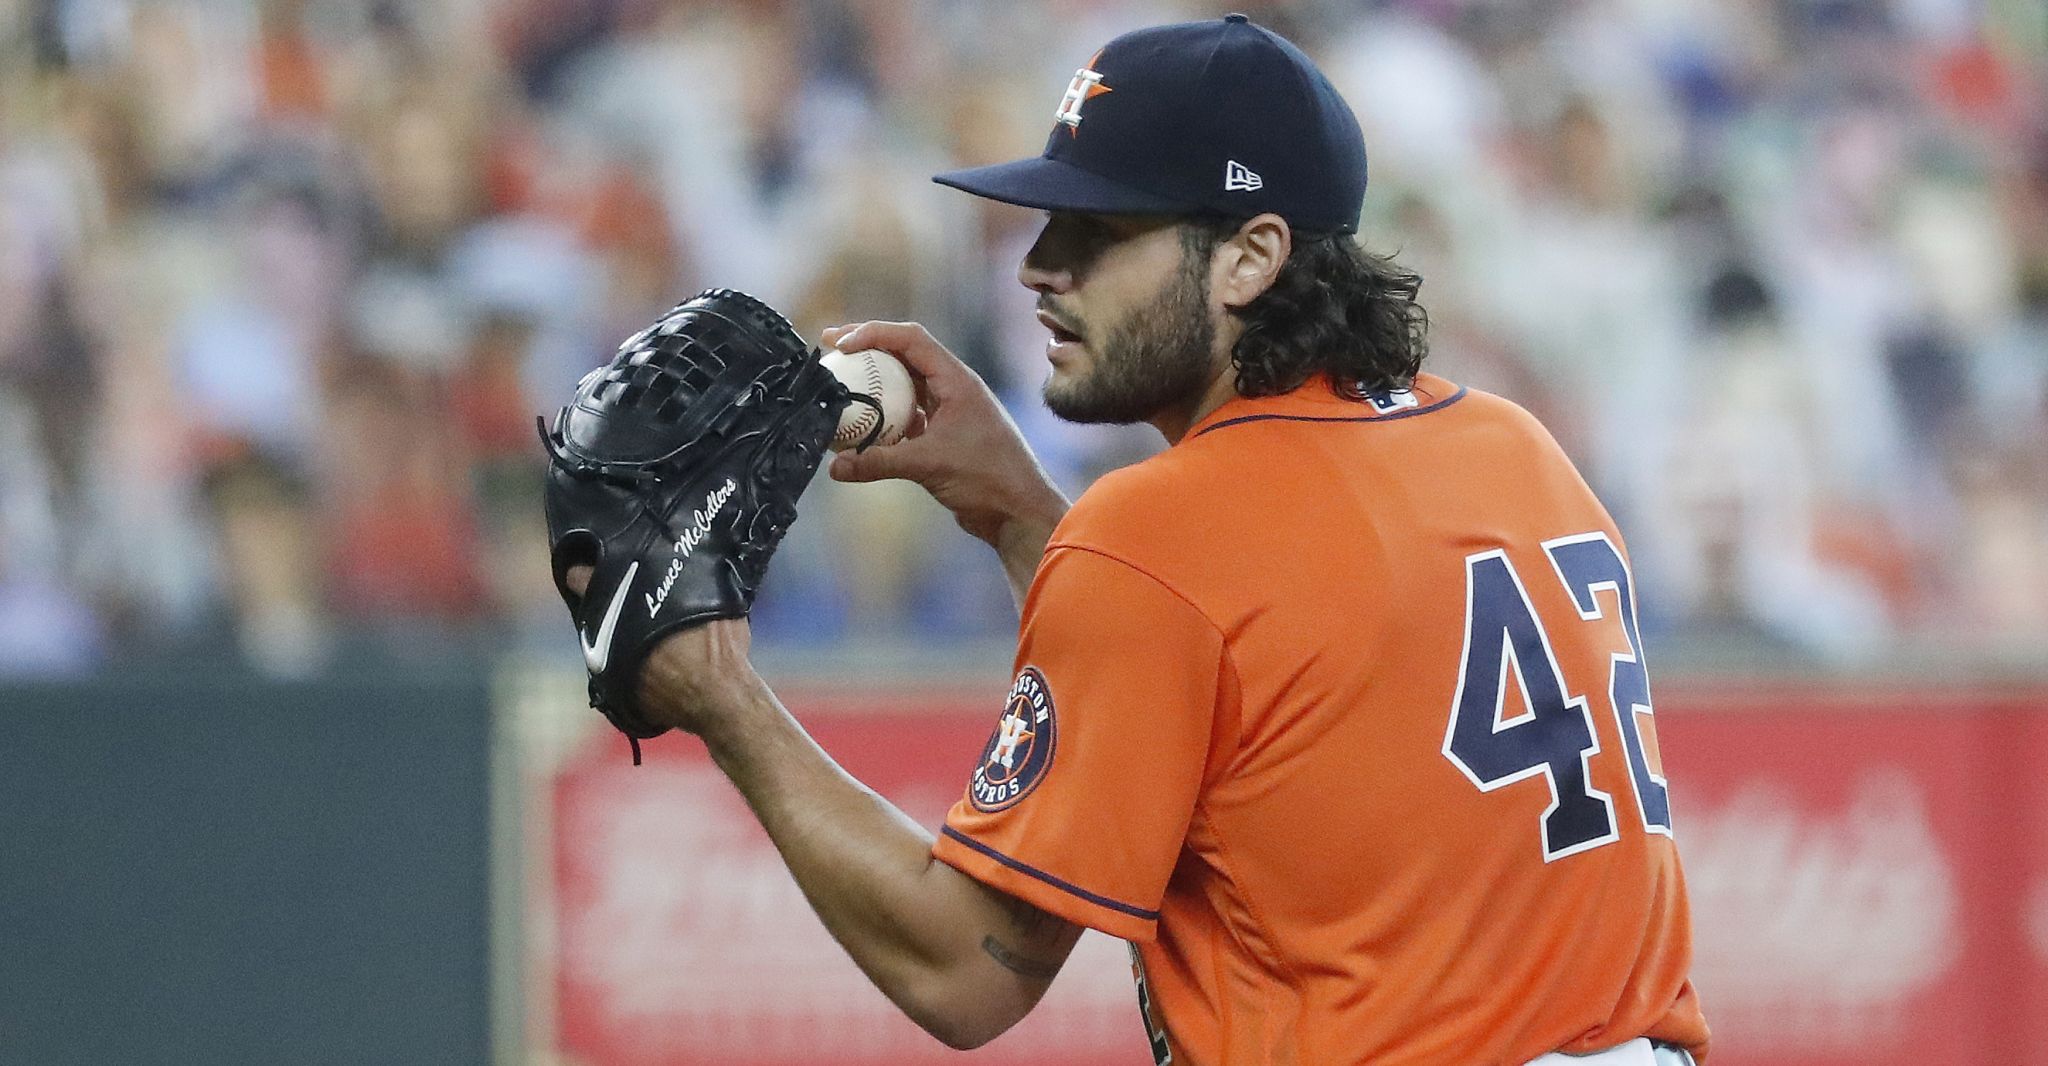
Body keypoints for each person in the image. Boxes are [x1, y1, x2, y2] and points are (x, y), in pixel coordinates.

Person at [575, 15, 1709, 1065]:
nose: (1037, 266)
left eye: (1099, 230)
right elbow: (1253, 682)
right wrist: (1024, 518)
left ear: (1249, 256)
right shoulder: (1508, 444)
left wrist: (720, 693)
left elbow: (960, 966)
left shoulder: (1159, 535)